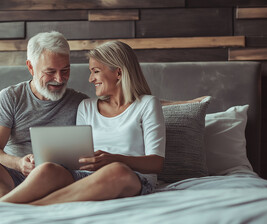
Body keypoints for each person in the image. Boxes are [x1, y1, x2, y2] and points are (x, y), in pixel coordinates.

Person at [23, 40, 166, 205]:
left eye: (96, 71)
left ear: (118, 73)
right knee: (48, 169)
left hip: (134, 178)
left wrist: (114, 159)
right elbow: (79, 157)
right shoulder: (86, 106)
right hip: (88, 177)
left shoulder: (147, 104)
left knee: (116, 170)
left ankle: (32, 207)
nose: (91, 79)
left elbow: (156, 163)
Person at [0, 31, 88, 202]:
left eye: (65, 70)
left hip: (57, 180)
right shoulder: (11, 97)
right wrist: (18, 163)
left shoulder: (81, 103)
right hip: (15, 178)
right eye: (50, 71)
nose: (59, 78)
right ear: (31, 67)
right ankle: (10, 204)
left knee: (48, 170)